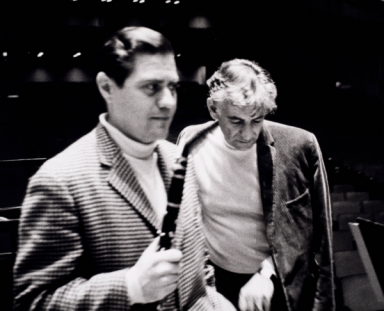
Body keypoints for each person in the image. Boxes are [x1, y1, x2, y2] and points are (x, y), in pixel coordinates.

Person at [13, 27, 235, 311]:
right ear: (107, 87)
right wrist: (130, 286)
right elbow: (33, 301)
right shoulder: (58, 181)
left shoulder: (180, 159)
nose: (168, 102)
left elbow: (198, 267)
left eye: (173, 87)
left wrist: (217, 304)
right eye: (151, 87)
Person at [177, 59, 335, 311]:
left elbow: (317, 239)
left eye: (257, 120)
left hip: (280, 283)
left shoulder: (300, 145)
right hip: (215, 283)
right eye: (236, 121)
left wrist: (267, 273)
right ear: (212, 108)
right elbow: (188, 225)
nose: (248, 133)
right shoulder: (190, 141)